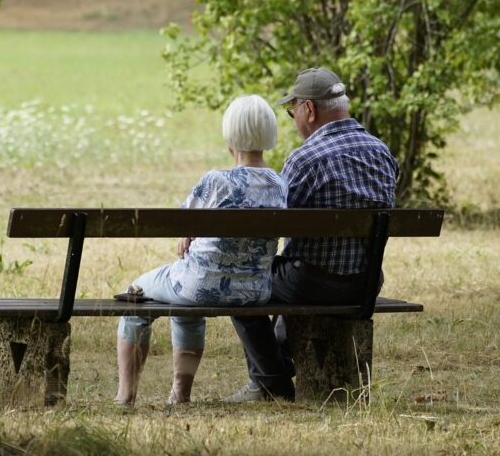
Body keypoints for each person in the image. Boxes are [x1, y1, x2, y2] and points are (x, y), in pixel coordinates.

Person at [225, 67, 399, 402]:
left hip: (312, 284)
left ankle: (271, 383)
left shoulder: (304, 159)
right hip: (365, 283)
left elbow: (274, 225)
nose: (294, 120)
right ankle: (277, 367)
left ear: (309, 109)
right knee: (293, 271)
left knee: (240, 281)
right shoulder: (382, 153)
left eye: (293, 113)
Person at [115, 95, 288, 406]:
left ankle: (125, 396)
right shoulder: (280, 184)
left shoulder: (216, 181)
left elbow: (182, 223)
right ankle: (179, 394)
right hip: (254, 291)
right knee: (185, 302)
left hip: (199, 286)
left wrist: (188, 233)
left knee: (135, 294)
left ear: (230, 136)